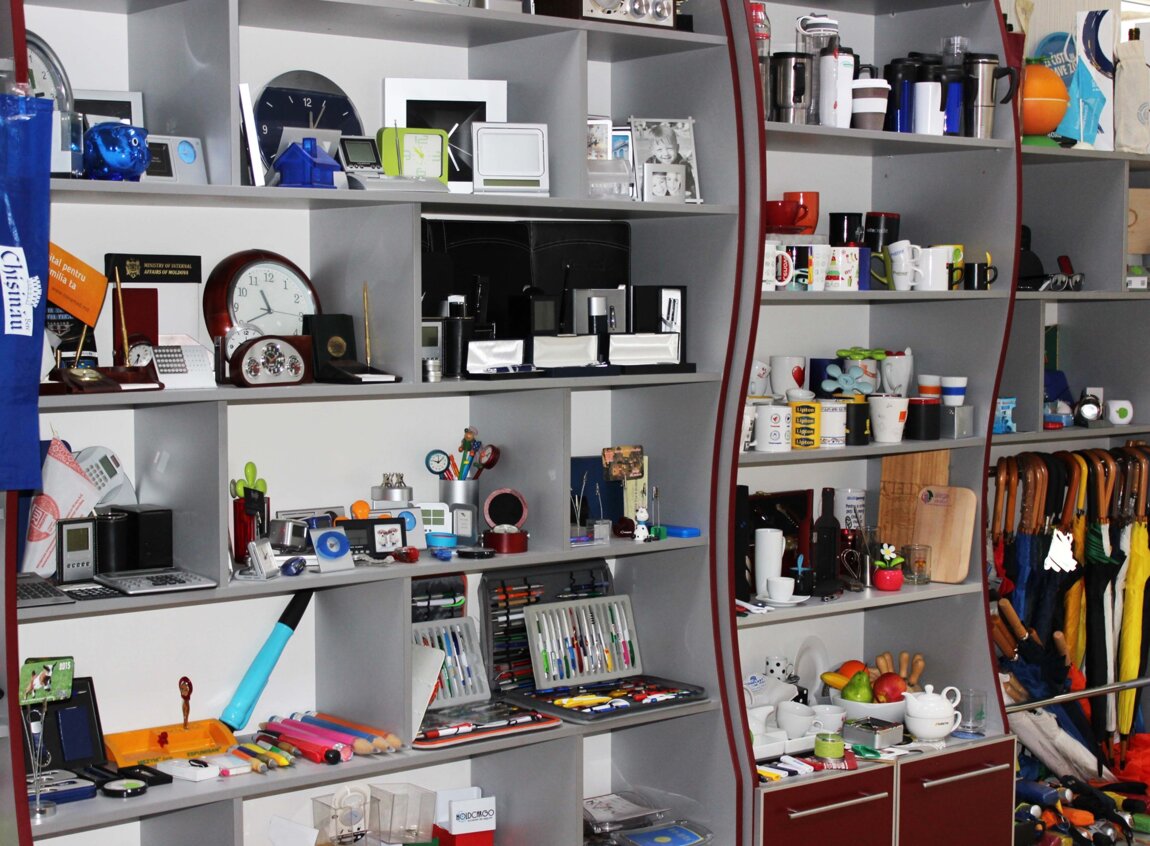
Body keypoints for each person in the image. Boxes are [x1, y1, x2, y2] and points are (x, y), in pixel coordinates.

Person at [644, 123, 696, 199]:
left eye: (669, 148)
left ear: (677, 148)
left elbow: (692, 189)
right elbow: (644, 189)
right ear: (653, 151)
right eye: (659, 149)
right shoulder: (650, 163)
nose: (665, 153)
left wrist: (689, 196)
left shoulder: (683, 165)